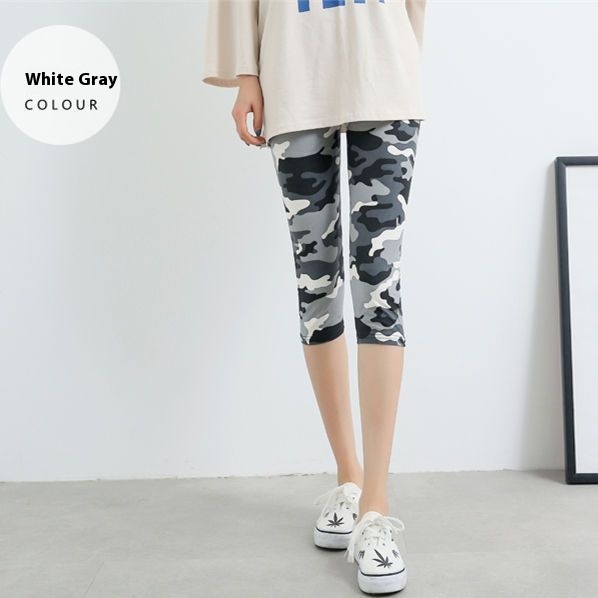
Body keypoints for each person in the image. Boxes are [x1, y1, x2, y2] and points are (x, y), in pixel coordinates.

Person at [202, 0, 426, 593]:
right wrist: (247, 74)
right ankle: (349, 476)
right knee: (316, 282)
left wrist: (405, 50)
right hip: (293, 73)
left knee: (378, 283)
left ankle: (375, 506)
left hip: (384, 72)